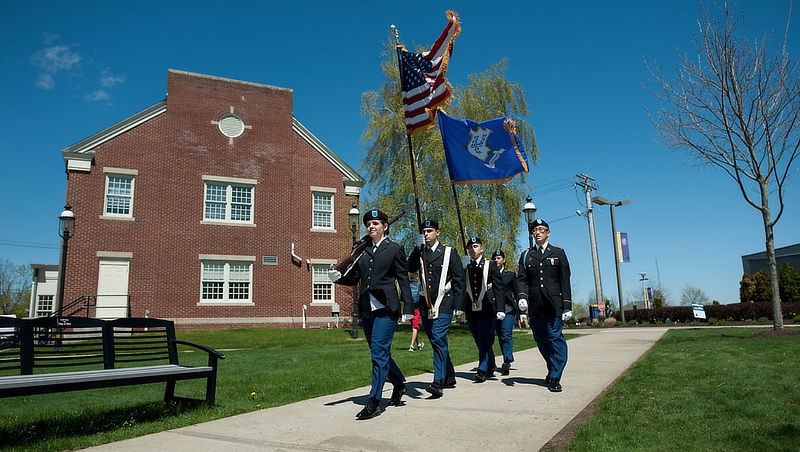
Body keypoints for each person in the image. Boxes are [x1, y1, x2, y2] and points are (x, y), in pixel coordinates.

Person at [328, 208, 414, 419]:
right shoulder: (361, 249)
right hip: (367, 309)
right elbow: (355, 276)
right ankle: (399, 382)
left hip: (387, 309)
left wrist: (409, 308)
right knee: (380, 352)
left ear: (385, 226)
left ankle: (374, 401)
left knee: (378, 353)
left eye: (376, 223)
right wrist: (337, 277)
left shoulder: (395, 249)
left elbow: (403, 279)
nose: (371, 226)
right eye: (369, 224)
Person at [407, 219, 465, 397]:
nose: (426, 234)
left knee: (438, 338)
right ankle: (449, 375)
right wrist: (417, 248)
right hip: (426, 305)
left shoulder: (449, 252)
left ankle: (438, 381)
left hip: (445, 303)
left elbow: (459, 280)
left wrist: (460, 305)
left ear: (437, 232)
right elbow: (410, 268)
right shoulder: (420, 252)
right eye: (424, 231)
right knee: (436, 341)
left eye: (430, 231)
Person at [516, 219, 572, 392]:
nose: (537, 232)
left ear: (548, 232)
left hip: (554, 304)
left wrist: (567, 306)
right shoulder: (527, 255)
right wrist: (522, 297)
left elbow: (564, 280)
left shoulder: (558, 253)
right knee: (541, 340)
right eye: (535, 230)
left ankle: (555, 376)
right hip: (536, 305)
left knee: (555, 338)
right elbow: (522, 279)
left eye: (541, 229)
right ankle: (552, 366)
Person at [463, 236, 504, 382]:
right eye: (470, 247)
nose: (473, 249)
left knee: (486, 338)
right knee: (478, 339)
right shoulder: (465, 265)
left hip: (488, 307)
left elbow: (499, 287)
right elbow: (461, 287)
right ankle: (491, 365)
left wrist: (500, 308)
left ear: (482, 249)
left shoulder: (490, 265)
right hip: (471, 308)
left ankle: (482, 368)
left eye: (475, 246)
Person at [492, 248, 521, 375]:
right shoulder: (490, 273)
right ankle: (504, 358)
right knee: (499, 335)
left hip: (508, 310)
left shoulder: (510, 275)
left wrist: (521, 312)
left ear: (504, 260)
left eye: (498, 258)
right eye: (494, 258)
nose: (496, 260)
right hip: (493, 310)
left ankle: (507, 359)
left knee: (506, 334)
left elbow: (516, 292)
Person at [407, 273, 424, 352]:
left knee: (414, 327)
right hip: (416, 309)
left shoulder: (407, 286)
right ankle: (411, 345)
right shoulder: (419, 286)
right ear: (416, 278)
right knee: (415, 327)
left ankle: (418, 344)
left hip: (409, 309)